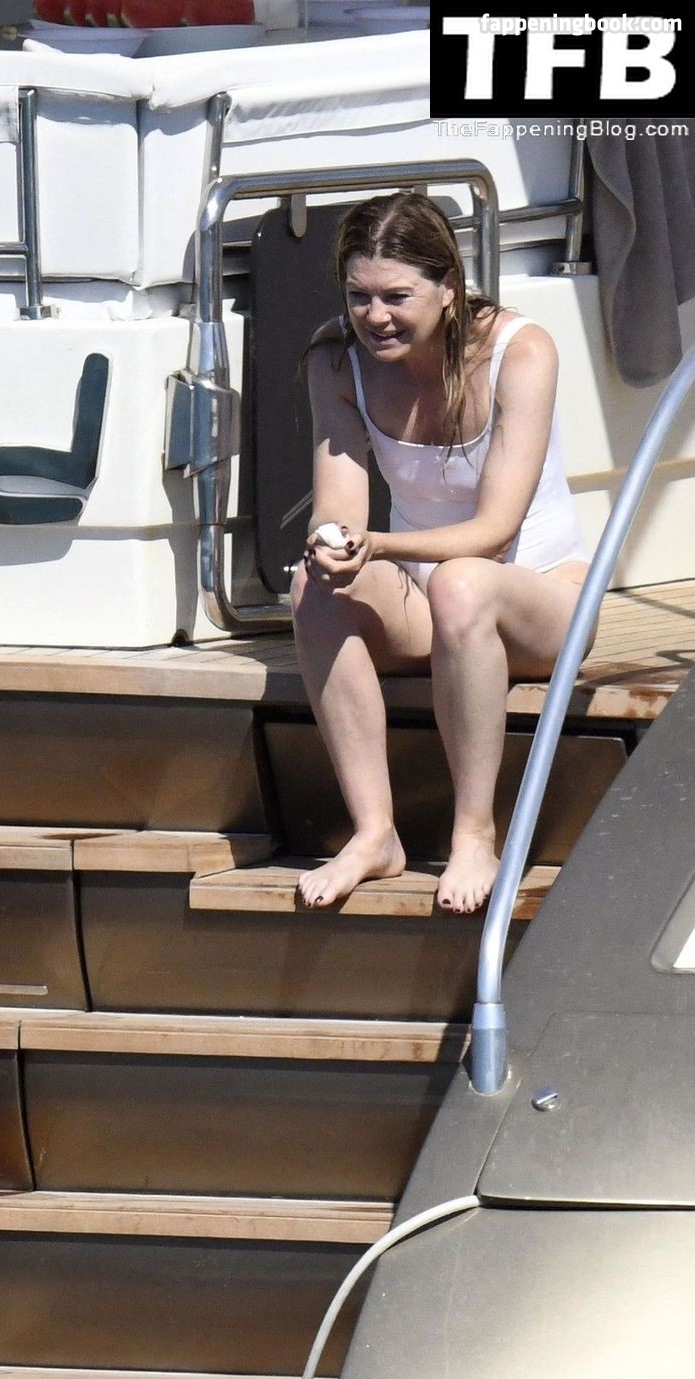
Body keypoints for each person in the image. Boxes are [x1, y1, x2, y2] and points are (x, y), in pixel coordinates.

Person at [292, 191, 591, 914]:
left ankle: (474, 832)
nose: (374, 316)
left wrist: (380, 544)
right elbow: (340, 505)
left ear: (449, 286)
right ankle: (375, 833)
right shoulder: (336, 360)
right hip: (431, 600)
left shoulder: (521, 351)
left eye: (396, 296)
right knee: (311, 586)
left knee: (462, 582)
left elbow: (494, 532)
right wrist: (334, 543)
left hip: (540, 596)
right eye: (358, 296)